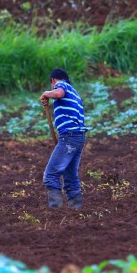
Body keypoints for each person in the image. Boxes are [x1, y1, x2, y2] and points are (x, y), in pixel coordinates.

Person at [39, 68, 88, 209]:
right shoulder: (75, 93)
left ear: (53, 80)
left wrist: (47, 93)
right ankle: (76, 209)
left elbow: (58, 93)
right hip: (78, 137)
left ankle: (55, 211)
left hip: (69, 137)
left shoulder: (62, 85)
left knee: (51, 175)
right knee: (70, 177)